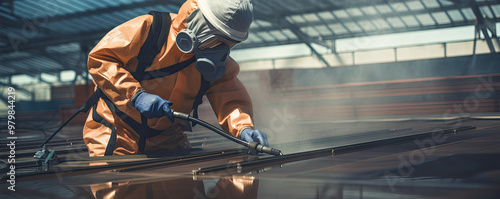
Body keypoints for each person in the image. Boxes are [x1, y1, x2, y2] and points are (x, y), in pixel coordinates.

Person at [83, 0, 269, 156]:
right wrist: (135, 95)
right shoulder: (150, 30)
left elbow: (230, 98)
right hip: (117, 130)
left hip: (168, 138)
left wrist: (244, 128)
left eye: (230, 45)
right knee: (116, 186)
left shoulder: (218, 67)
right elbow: (101, 59)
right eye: (217, 41)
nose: (221, 52)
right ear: (198, 23)